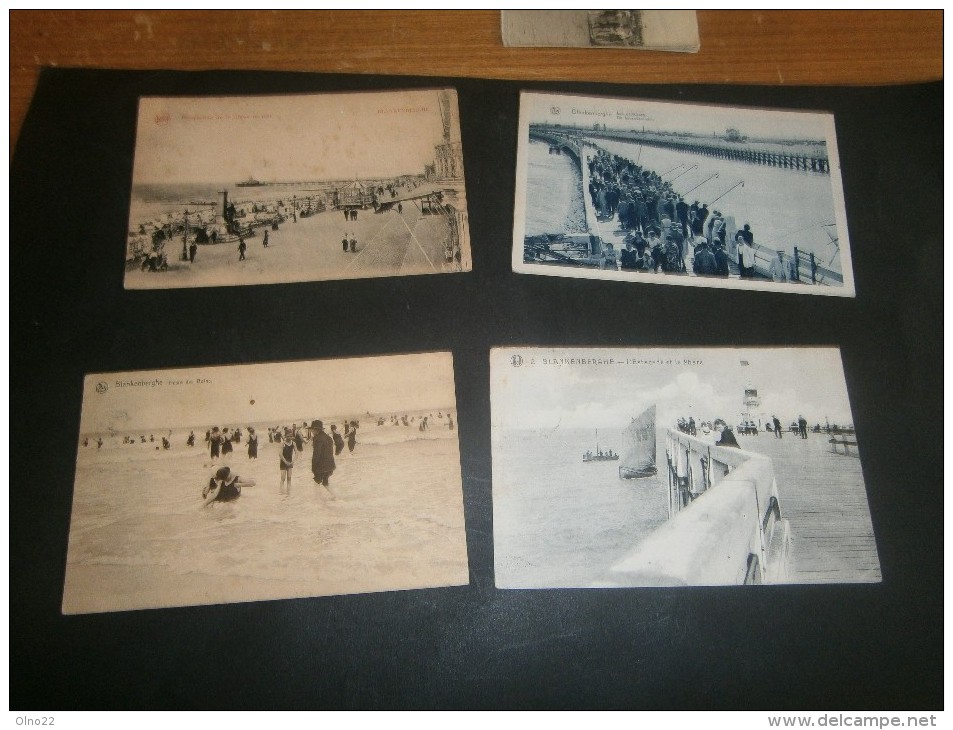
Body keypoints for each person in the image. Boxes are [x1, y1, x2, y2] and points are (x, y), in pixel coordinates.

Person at [309, 420, 335, 487]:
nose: (311, 432)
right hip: (330, 465)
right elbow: (330, 452)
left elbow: (316, 454)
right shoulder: (329, 438)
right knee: (325, 483)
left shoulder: (317, 438)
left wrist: (313, 467)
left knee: (316, 483)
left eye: (312, 430)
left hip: (321, 466)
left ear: (316, 430)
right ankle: (335, 496)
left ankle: (317, 497)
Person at [278, 429, 295, 497]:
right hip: (283, 462)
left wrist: (293, 461)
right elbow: (280, 454)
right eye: (288, 436)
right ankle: (281, 492)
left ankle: (288, 492)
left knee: (289, 477)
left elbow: (297, 453)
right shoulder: (283, 444)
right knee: (283, 478)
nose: (290, 437)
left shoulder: (293, 443)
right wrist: (286, 462)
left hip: (290, 462)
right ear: (285, 436)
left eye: (291, 436)